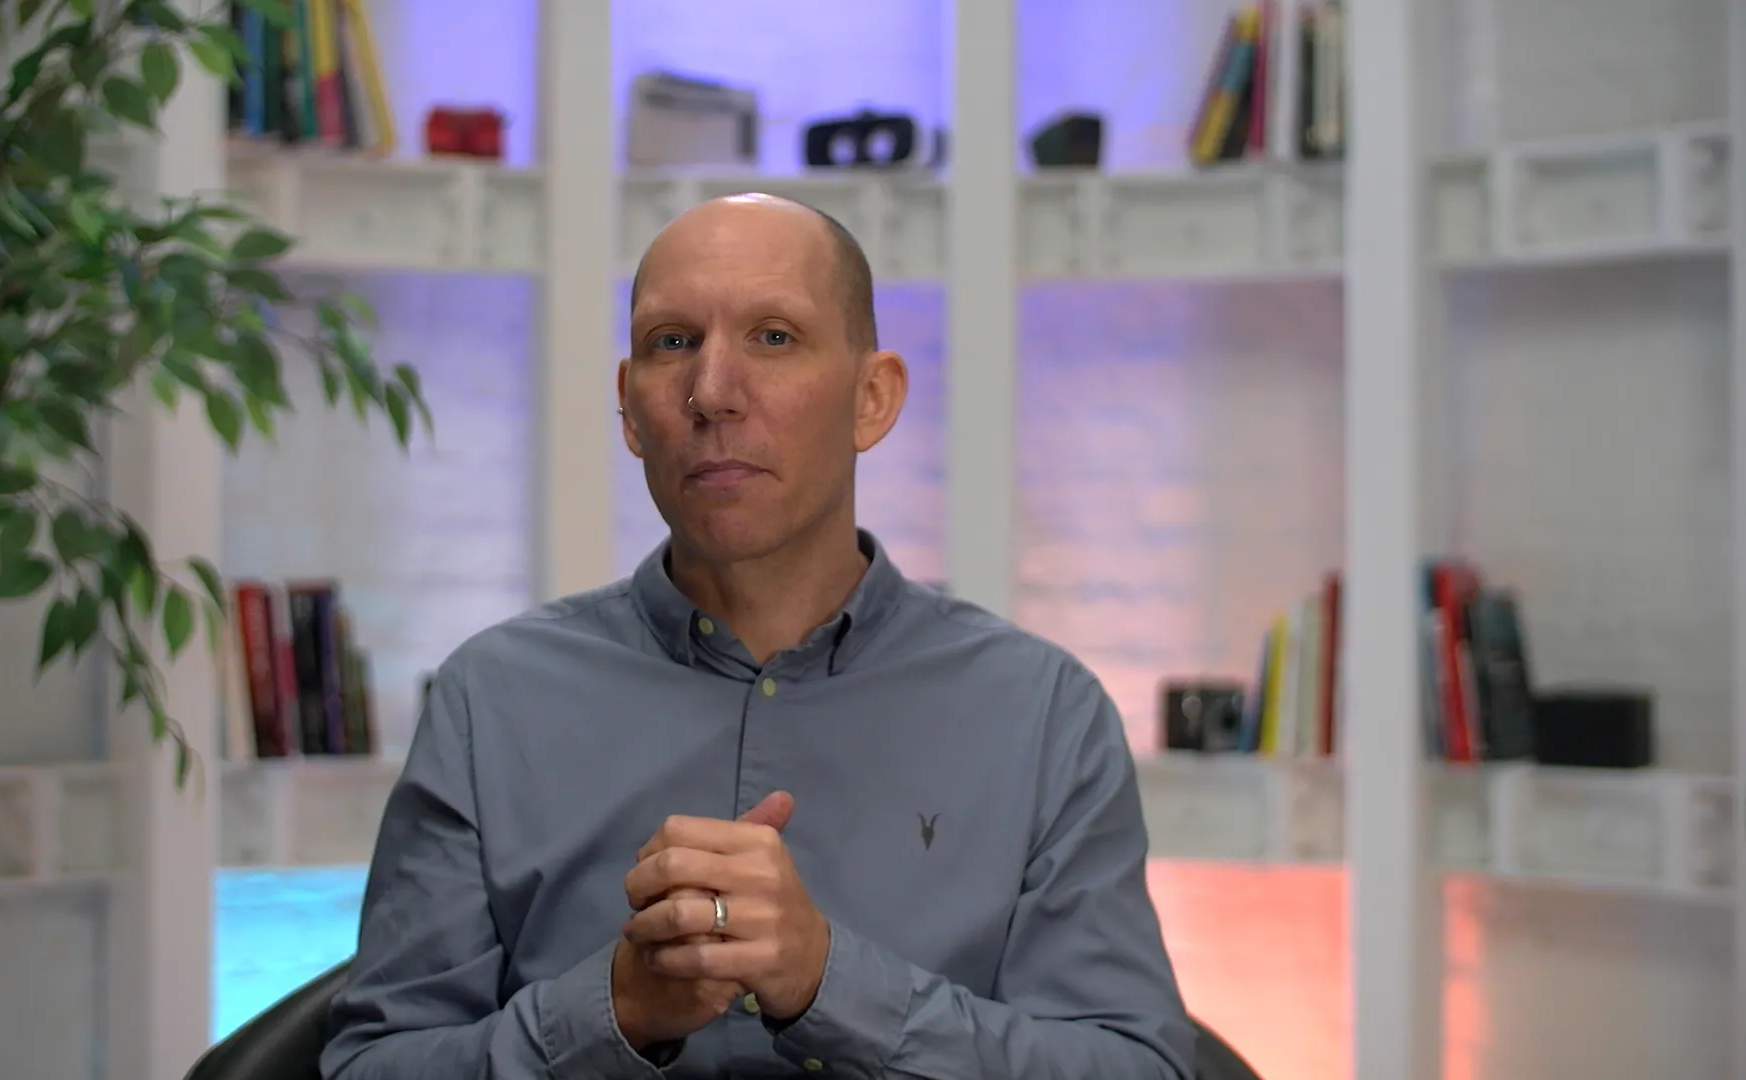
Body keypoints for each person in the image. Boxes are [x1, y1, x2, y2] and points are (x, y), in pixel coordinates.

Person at [320, 194, 1195, 1079]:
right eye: (672, 343)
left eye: (773, 337)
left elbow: (1136, 1066)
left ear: (872, 398)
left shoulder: (1041, 715)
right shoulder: (491, 701)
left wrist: (829, 983)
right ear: (629, 407)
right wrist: (612, 1012)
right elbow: (371, 1066)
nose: (712, 393)